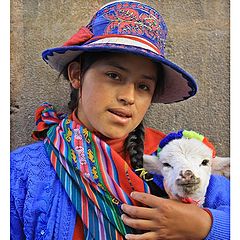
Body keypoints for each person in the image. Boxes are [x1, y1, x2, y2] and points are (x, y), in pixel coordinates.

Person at [10, 1, 230, 239]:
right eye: (114, 76)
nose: (128, 97)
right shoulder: (22, 172)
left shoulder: (177, 156)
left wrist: (206, 225)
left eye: (143, 86)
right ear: (76, 75)